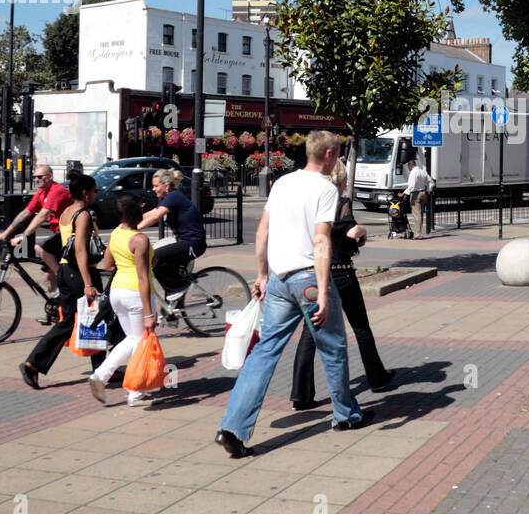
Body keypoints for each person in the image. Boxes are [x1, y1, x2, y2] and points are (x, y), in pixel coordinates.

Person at [216, 130, 367, 458]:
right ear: (327, 154)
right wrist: (324, 292)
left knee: (265, 352)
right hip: (309, 278)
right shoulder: (325, 189)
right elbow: (322, 241)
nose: (340, 158)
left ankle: (232, 426)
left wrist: (261, 275)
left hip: (280, 280)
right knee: (333, 348)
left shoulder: (282, 183)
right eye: (338, 153)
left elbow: (262, 232)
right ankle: (345, 414)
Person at [290, 159, 394, 409]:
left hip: (314, 274)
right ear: (340, 180)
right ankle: (377, 378)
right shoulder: (339, 201)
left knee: (309, 334)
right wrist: (362, 231)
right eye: (345, 179)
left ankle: (301, 395)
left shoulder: (309, 203)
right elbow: (350, 230)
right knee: (360, 327)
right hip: (340, 273)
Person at [19, 172, 107, 389]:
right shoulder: (84, 214)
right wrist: (88, 282)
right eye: (94, 190)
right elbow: (80, 250)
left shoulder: (68, 211)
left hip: (65, 271)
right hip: (81, 272)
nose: (96, 194)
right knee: (100, 316)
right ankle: (103, 369)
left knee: (68, 322)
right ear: (85, 193)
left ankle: (33, 363)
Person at [91, 196, 157, 407]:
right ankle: (135, 393)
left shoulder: (116, 233)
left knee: (132, 339)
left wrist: (125, 264)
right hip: (136, 293)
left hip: (117, 291)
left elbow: (108, 263)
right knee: (140, 341)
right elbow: (143, 276)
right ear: (137, 213)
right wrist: (148, 313)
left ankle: (100, 376)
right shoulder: (140, 240)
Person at [0, 164, 72, 292]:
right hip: (58, 234)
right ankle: (56, 305)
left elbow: (41, 216)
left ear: (50, 177)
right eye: (34, 177)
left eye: (40, 177)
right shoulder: (41, 193)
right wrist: (5, 234)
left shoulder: (57, 191)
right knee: (49, 277)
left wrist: (22, 236)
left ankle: (64, 279)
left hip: (70, 233)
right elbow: (25, 213)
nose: (36, 180)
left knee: (39, 247)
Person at [138, 168, 205, 299]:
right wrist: (130, 221)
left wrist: (134, 229)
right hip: (184, 241)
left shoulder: (174, 196)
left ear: (167, 186)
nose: (153, 189)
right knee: (167, 271)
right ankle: (173, 311)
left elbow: (156, 216)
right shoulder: (170, 197)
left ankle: (180, 288)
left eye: (156, 186)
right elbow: (151, 213)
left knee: (154, 257)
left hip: (193, 244)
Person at [403, 156, 431, 239]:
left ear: (410, 165)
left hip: (415, 194)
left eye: (408, 167)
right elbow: (430, 181)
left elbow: (411, 185)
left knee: (416, 214)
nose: (409, 169)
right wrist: (428, 189)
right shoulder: (423, 171)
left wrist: (404, 193)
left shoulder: (413, 172)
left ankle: (417, 234)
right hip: (423, 193)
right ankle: (419, 232)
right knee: (420, 213)